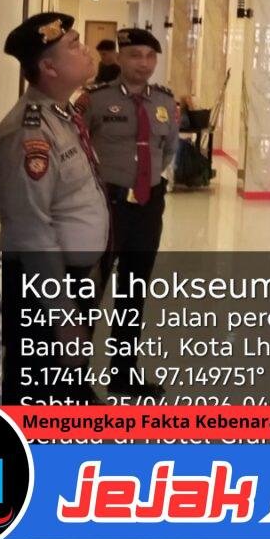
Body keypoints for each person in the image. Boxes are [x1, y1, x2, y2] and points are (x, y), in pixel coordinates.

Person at [0, 12, 109, 539]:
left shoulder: (62, 115)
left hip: (67, 280)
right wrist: (61, 312)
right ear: (50, 68)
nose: (86, 51)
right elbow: (30, 230)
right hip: (41, 288)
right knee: (27, 410)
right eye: (75, 46)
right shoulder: (29, 132)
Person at [76, 27, 178, 397]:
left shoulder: (165, 101)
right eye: (135, 55)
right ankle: (76, 379)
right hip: (107, 206)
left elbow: (168, 150)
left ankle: (122, 374)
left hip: (147, 207)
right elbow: (78, 147)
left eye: (150, 57)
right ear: (119, 57)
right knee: (90, 293)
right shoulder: (94, 100)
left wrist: (144, 182)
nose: (144, 64)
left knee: (134, 293)